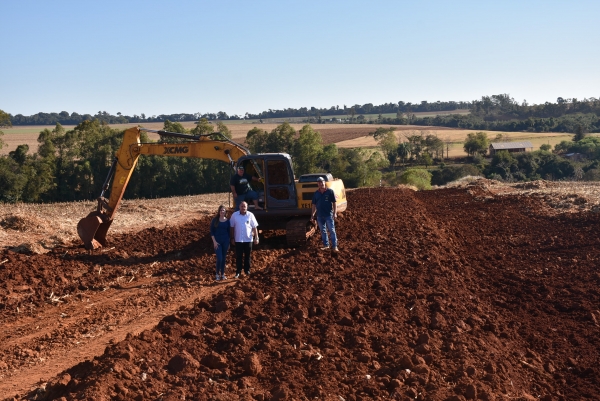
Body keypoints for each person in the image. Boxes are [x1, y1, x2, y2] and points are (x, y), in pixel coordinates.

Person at [229, 201, 259, 278]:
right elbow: (232, 227)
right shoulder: (234, 215)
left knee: (247, 256)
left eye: (244, 206)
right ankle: (238, 272)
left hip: (248, 239)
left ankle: (247, 270)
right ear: (239, 207)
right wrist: (232, 238)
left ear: (247, 207)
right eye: (242, 206)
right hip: (238, 239)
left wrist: (256, 237)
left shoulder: (250, 215)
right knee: (239, 256)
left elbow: (254, 227)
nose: (243, 208)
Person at [311, 177, 339, 252]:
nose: (321, 184)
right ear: (317, 184)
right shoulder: (316, 193)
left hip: (328, 215)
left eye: (322, 182)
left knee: (332, 230)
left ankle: (335, 246)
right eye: (319, 183)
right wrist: (312, 215)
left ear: (324, 182)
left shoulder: (330, 191)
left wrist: (335, 213)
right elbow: (314, 205)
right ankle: (326, 245)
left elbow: (334, 203)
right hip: (320, 215)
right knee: (323, 231)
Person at [210, 205, 230, 281]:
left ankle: (222, 274)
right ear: (219, 211)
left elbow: (229, 232)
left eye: (223, 210)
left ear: (225, 212)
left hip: (225, 241)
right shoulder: (215, 220)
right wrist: (214, 242)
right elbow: (212, 232)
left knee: (224, 258)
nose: (222, 211)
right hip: (217, 242)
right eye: (221, 210)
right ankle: (217, 274)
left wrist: (229, 243)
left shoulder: (227, 221)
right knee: (220, 258)